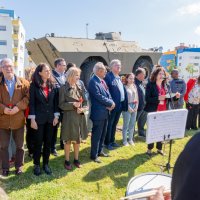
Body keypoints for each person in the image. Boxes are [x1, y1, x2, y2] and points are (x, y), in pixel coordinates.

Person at [0, 58, 29, 176]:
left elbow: (27, 98)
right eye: (5, 66)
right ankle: (5, 168)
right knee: (3, 146)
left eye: (10, 66)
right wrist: (3, 109)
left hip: (18, 119)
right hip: (3, 120)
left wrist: (18, 107)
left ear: (14, 67)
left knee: (20, 146)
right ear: (1, 69)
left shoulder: (23, 82)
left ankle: (19, 167)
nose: (8, 68)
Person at [29, 63, 59, 176]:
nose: (48, 72)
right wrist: (32, 119)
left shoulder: (53, 85)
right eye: (46, 70)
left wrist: (56, 116)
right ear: (40, 72)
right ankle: (36, 164)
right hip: (38, 119)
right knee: (38, 142)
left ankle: (46, 163)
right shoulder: (34, 85)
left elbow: (55, 103)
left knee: (48, 142)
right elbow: (31, 104)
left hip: (51, 119)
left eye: (49, 70)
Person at [144, 67, 180, 156]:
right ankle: (149, 149)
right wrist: (158, 98)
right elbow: (147, 99)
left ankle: (159, 148)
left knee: (161, 130)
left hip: (163, 111)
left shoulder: (166, 85)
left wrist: (176, 97)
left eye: (163, 74)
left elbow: (169, 97)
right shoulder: (150, 85)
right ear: (155, 75)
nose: (161, 75)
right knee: (152, 130)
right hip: (153, 110)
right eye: (160, 73)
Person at [59, 67, 88, 170]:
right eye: (76, 75)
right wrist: (73, 104)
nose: (78, 77)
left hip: (79, 117)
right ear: (71, 76)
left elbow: (85, 101)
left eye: (78, 75)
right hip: (69, 118)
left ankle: (76, 159)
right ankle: (67, 161)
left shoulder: (79, 86)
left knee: (77, 140)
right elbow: (61, 105)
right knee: (68, 140)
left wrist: (83, 109)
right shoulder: (63, 88)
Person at [88, 62, 115, 163]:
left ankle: (100, 151)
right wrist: (110, 103)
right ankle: (94, 155)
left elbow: (108, 94)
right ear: (99, 71)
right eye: (104, 71)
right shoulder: (93, 81)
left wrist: (111, 102)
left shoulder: (102, 81)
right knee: (97, 135)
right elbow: (98, 96)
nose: (106, 73)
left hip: (105, 112)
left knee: (103, 133)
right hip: (98, 113)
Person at [104, 59, 128, 150]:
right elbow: (106, 91)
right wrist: (109, 103)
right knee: (110, 124)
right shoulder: (108, 77)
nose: (119, 67)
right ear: (111, 67)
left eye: (120, 65)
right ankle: (107, 142)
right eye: (117, 65)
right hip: (112, 105)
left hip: (120, 105)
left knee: (114, 124)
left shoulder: (119, 77)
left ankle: (112, 140)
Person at [51, 58, 67, 153]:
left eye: (65, 65)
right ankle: (52, 148)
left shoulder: (65, 75)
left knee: (64, 126)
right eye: (63, 65)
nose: (65, 67)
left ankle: (62, 144)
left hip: (64, 106)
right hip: (55, 106)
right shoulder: (51, 76)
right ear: (57, 66)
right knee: (54, 128)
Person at [122, 73, 138, 146]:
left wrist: (136, 106)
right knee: (126, 125)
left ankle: (130, 139)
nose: (132, 80)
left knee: (132, 124)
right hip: (127, 106)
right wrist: (128, 107)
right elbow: (123, 99)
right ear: (127, 79)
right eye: (130, 78)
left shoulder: (134, 86)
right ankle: (125, 141)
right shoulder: (124, 87)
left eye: (133, 78)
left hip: (134, 106)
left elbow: (137, 97)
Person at [135, 68, 147, 137]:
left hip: (144, 106)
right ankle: (131, 135)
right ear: (139, 75)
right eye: (143, 74)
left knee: (142, 121)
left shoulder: (142, 83)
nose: (145, 76)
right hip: (137, 107)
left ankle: (141, 133)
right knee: (133, 122)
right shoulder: (134, 83)